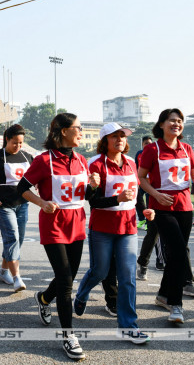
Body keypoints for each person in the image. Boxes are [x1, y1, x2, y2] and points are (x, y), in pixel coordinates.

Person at [16, 113, 99, 360]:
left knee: (69, 277)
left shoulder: (83, 161)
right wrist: (42, 202)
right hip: (53, 225)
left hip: (77, 223)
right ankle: (68, 336)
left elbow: (87, 197)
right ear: (63, 131)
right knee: (65, 279)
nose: (81, 132)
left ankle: (43, 298)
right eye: (78, 128)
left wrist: (93, 186)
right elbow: (21, 189)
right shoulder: (43, 161)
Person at [74, 123, 153, 344]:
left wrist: (144, 211)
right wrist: (117, 199)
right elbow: (93, 201)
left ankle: (128, 326)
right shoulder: (96, 164)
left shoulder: (130, 162)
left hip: (128, 228)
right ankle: (81, 294)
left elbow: (136, 195)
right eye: (115, 136)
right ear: (105, 140)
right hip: (102, 228)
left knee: (127, 277)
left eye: (123, 136)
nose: (120, 139)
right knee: (100, 271)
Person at [138, 108, 194, 324]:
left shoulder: (187, 149)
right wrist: (157, 194)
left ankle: (163, 295)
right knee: (177, 252)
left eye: (179, 121)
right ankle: (175, 304)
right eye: (172, 121)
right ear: (161, 124)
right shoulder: (152, 149)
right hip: (161, 208)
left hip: (185, 208)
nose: (176, 124)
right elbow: (141, 178)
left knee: (178, 253)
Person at [0, 124, 33, 292]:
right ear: (7, 140)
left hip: (22, 205)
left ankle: (3, 272)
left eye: (20, 143)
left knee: (19, 239)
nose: (18, 146)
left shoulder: (27, 157)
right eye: (15, 142)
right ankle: (17, 277)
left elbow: (36, 177)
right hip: (2, 205)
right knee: (12, 237)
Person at [134, 136, 152, 230]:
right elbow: (136, 167)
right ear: (142, 144)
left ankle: (149, 223)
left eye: (149, 143)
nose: (148, 145)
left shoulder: (155, 153)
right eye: (146, 143)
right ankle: (142, 219)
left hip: (150, 183)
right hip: (141, 182)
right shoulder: (139, 153)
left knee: (150, 203)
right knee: (137, 201)